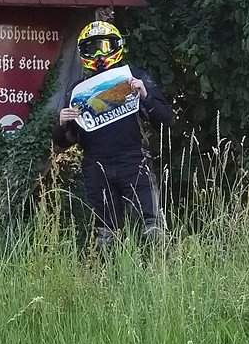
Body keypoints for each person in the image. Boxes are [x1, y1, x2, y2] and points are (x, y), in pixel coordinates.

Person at [54, 21, 175, 248]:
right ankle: (110, 271)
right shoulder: (79, 91)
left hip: (133, 159)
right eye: (92, 48)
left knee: (152, 229)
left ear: (117, 46)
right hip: (96, 165)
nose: (99, 54)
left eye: (104, 46)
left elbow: (167, 119)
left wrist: (145, 95)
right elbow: (63, 142)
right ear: (83, 53)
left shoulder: (133, 77)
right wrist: (62, 123)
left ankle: (160, 269)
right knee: (105, 236)